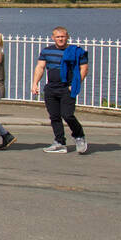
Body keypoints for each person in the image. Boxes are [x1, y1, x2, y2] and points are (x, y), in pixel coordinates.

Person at [31, 26, 89, 154]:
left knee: (67, 115)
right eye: (58, 37)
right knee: (54, 116)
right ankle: (59, 142)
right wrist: (35, 83)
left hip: (67, 88)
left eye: (63, 36)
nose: (60, 39)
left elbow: (84, 68)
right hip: (51, 87)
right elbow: (40, 67)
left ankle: (79, 136)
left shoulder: (76, 51)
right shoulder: (46, 51)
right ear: (53, 38)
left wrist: (75, 84)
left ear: (67, 37)